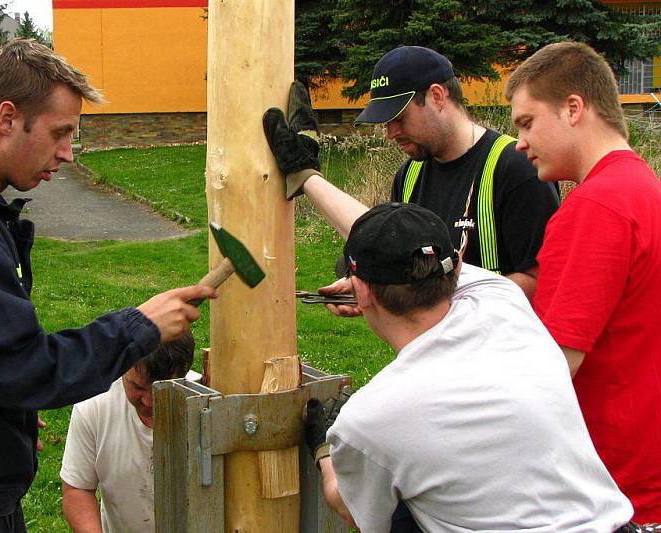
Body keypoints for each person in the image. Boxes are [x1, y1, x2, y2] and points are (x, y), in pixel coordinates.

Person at [0, 39, 214, 532]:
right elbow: (21, 367)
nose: (69, 154)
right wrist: (139, 327)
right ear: (7, 118)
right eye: (60, 133)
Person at [304, 202, 633, 533]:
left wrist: (323, 451)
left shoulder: (371, 418)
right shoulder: (503, 300)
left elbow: (349, 507)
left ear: (361, 290)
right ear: (456, 266)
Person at [263, 46, 559, 301]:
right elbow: (400, 264)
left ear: (437, 96)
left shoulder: (515, 169)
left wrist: (437, 292)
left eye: (399, 118)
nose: (391, 133)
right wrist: (371, 291)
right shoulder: (409, 177)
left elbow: (542, 285)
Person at [505, 41, 661, 523]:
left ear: (574, 108)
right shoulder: (645, 189)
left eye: (527, 123)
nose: (519, 143)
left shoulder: (596, 206)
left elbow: (551, 372)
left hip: (611, 492)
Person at [60, 333, 196, 532]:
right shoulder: (95, 404)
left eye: (159, 390)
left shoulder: (203, 404)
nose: (148, 402)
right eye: (138, 387)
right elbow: (77, 490)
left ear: (183, 376)